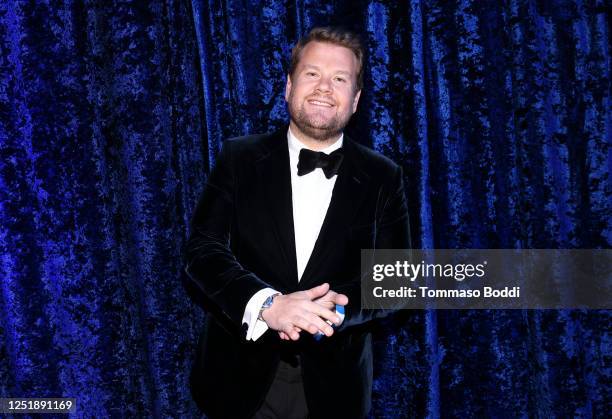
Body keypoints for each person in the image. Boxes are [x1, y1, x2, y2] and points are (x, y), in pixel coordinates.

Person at [184, 26, 411, 419]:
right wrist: (267, 305)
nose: (325, 87)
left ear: (355, 100)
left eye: (339, 79)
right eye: (312, 74)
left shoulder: (383, 176)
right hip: (236, 380)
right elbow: (202, 251)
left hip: (334, 388)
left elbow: (396, 278)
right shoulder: (238, 158)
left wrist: (333, 312)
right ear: (288, 86)